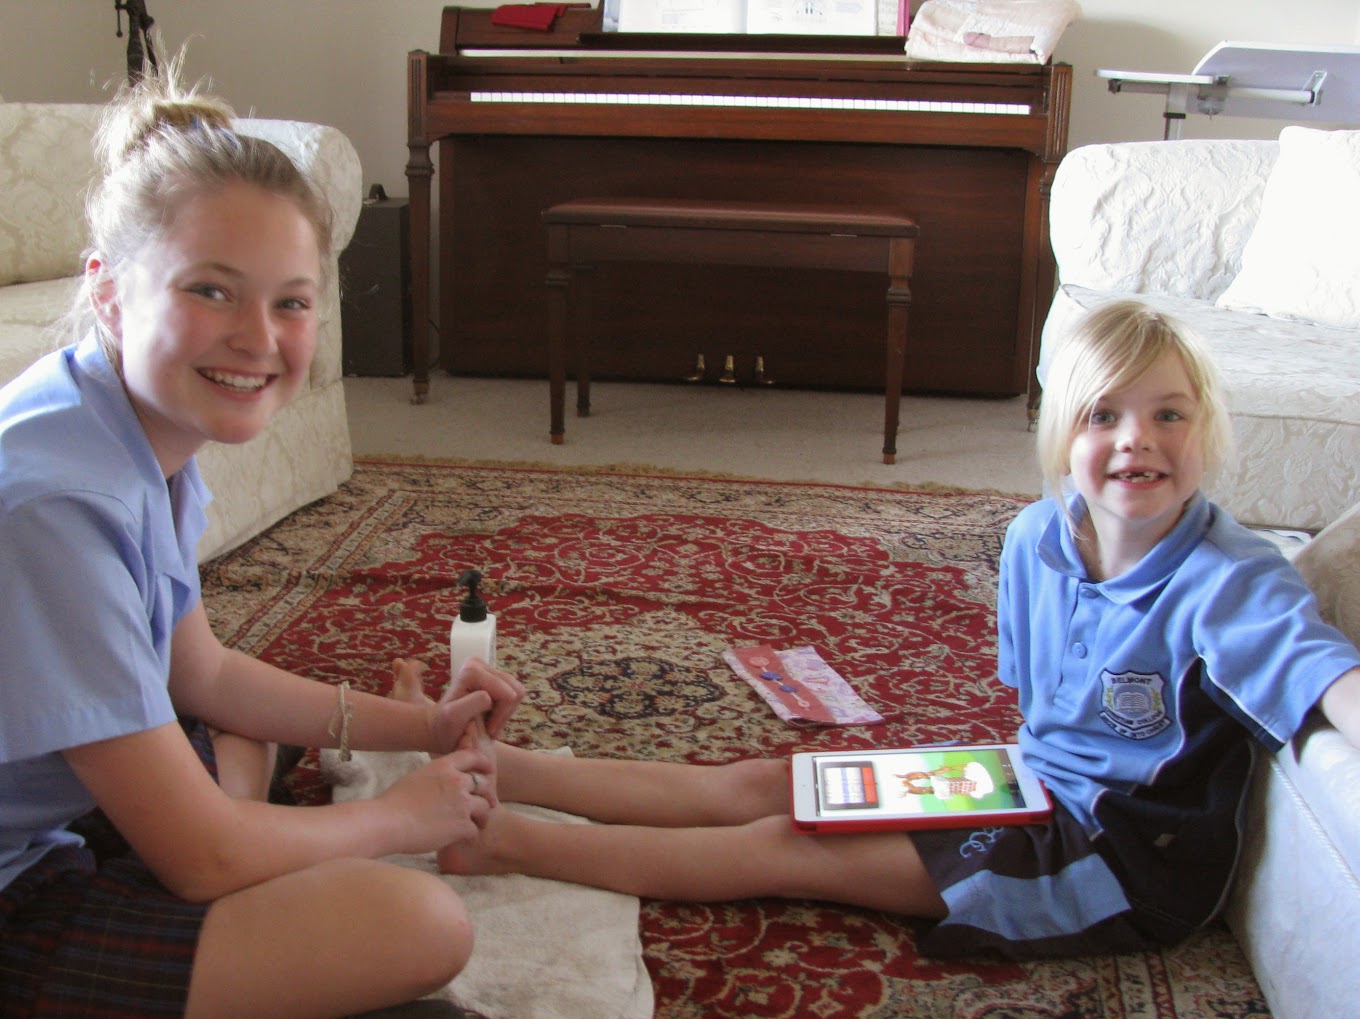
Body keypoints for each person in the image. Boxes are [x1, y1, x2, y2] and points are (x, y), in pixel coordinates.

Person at [0, 66, 535, 1019]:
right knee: (418, 923)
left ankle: (207, 971)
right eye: (209, 290)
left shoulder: (124, 427)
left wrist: (419, 730)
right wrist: (400, 819)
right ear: (111, 293)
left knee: (226, 732)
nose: (258, 337)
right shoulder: (51, 505)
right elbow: (199, 861)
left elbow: (200, 674)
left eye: (290, 301)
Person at [440, 298, 1360, 961]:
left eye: (1169, 415)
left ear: (1207, 430)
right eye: (1103, 415)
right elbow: (1034, 710)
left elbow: (1326, 675)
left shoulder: (1232, 580)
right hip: (1026, 781)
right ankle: (511, 769)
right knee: (773, 782)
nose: (1137, 439)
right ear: (1060, 436)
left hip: (1114, 859)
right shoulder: (1036, 537)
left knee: (790, 845)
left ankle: (507, 841)